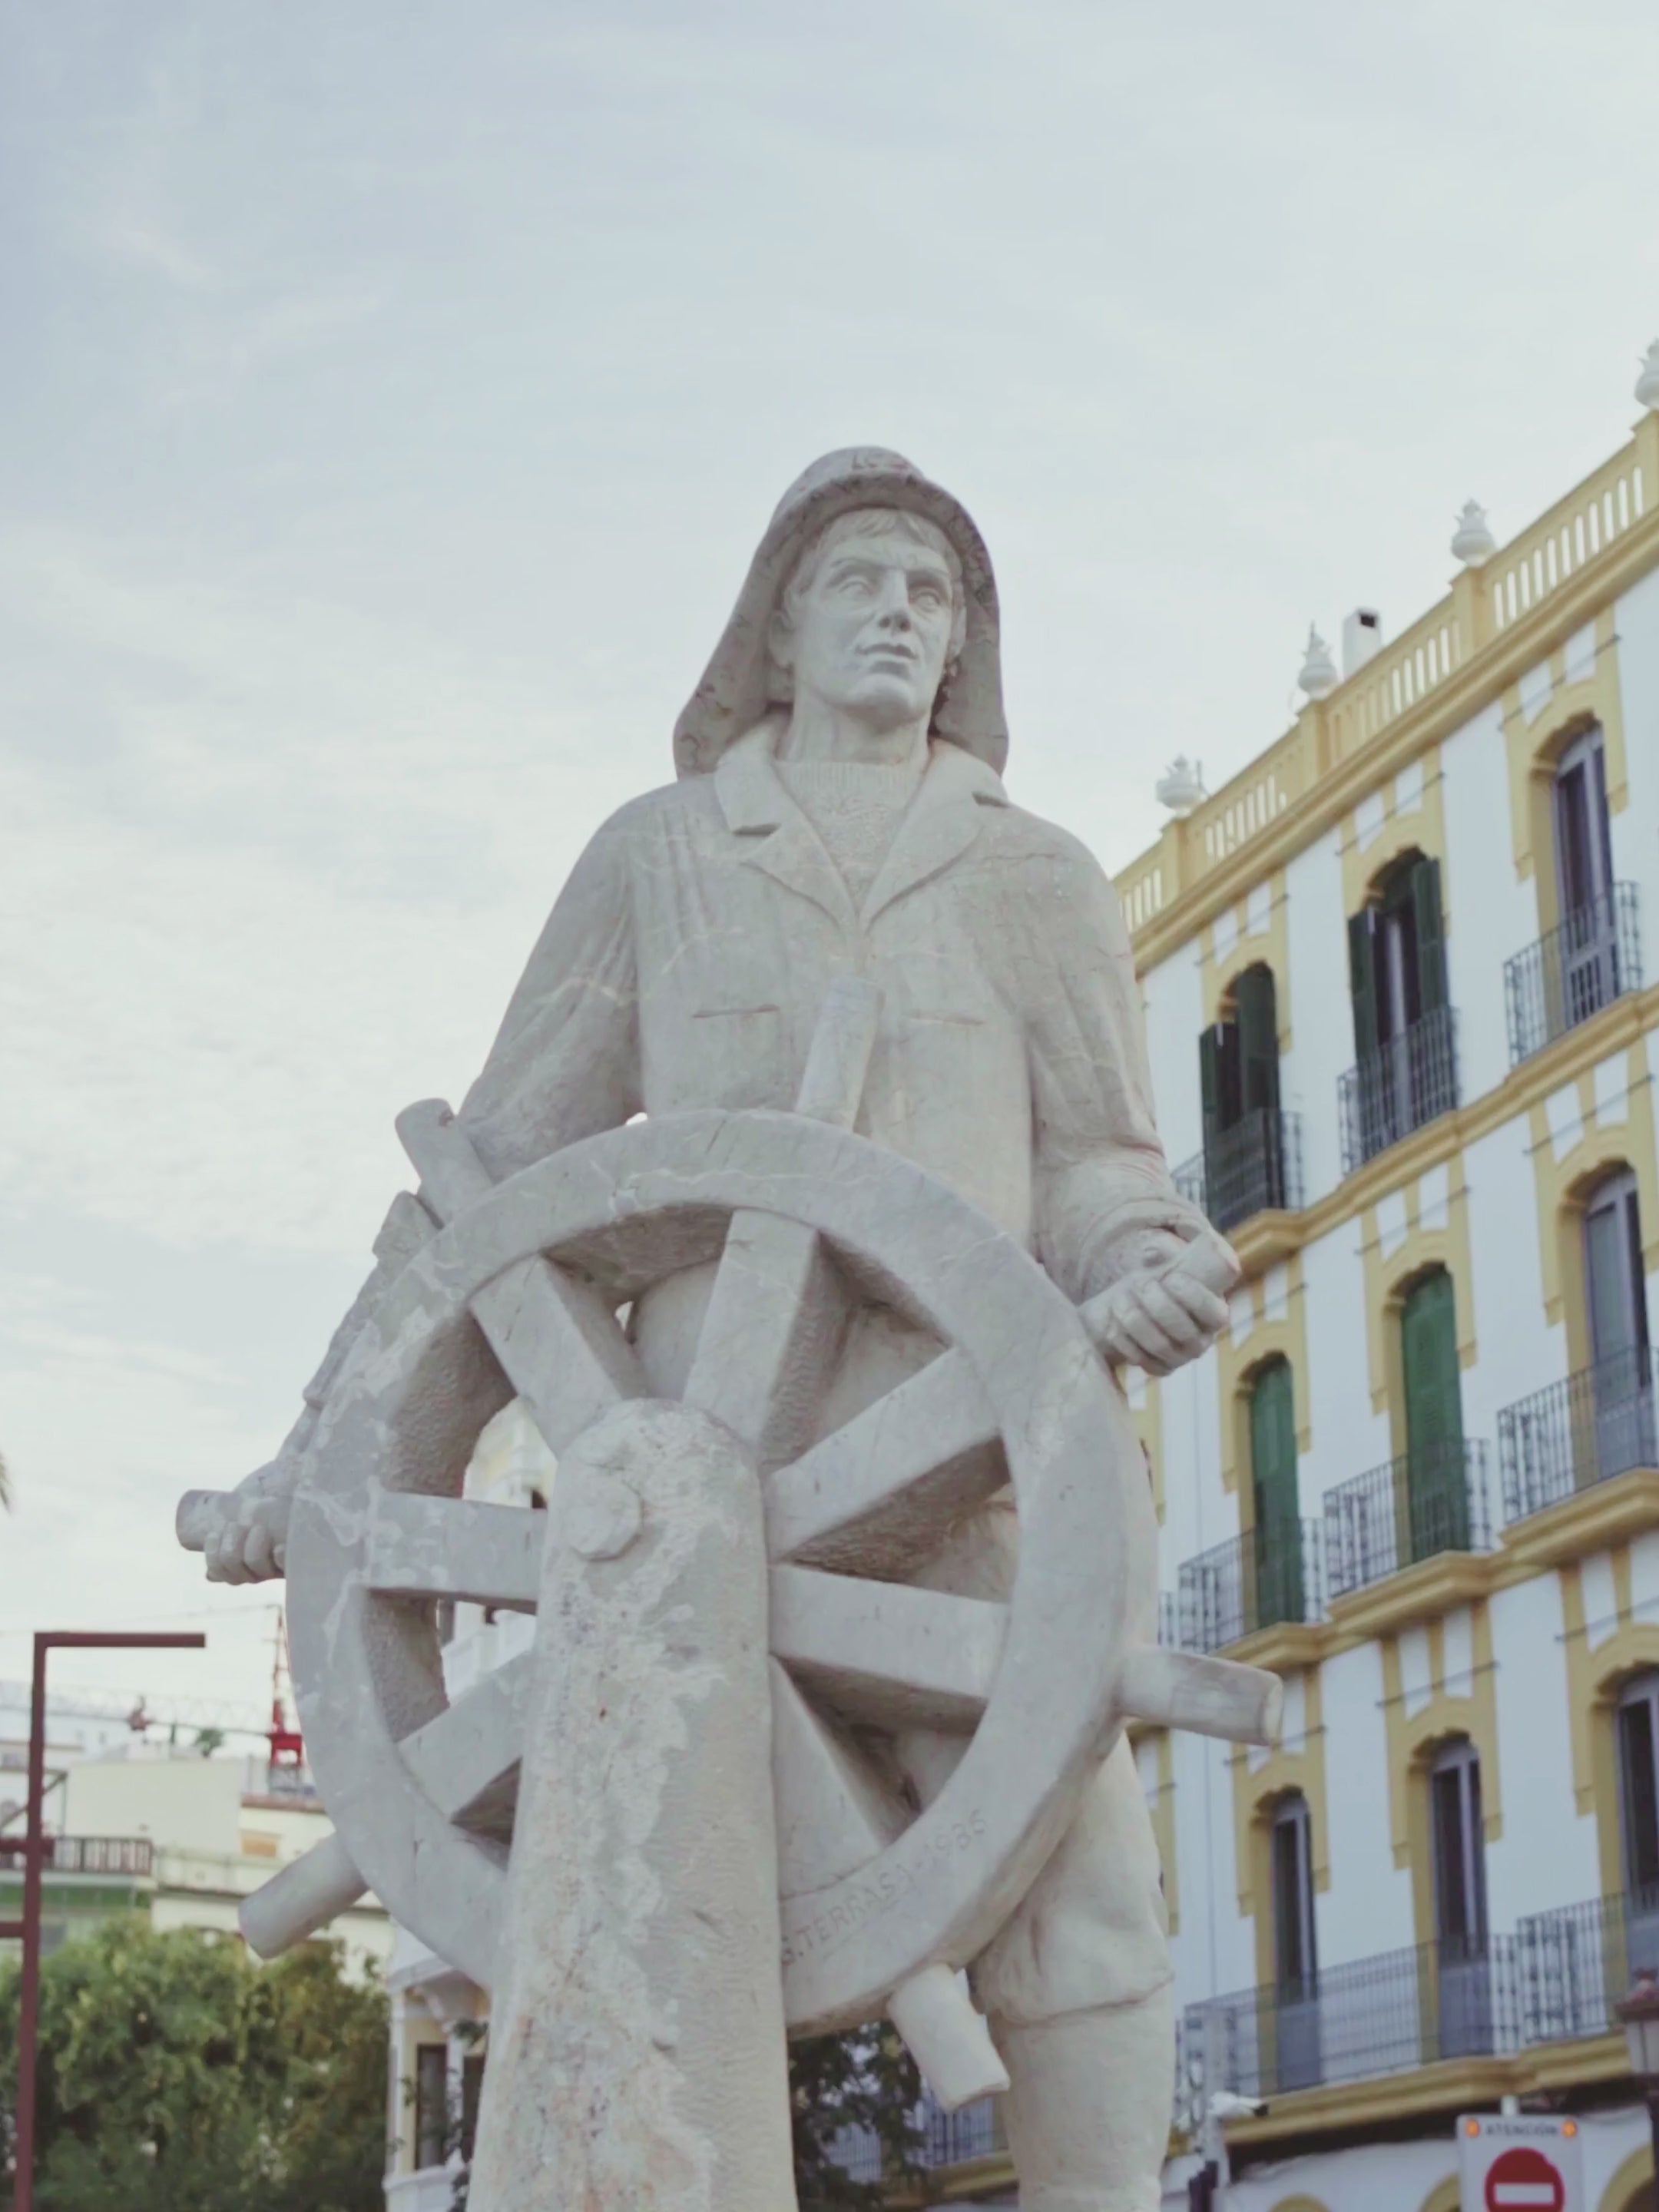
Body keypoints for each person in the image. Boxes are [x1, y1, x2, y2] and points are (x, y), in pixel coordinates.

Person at [201, 447, 1236, 2210]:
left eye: (934, 592)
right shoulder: (657, 858)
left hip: (966, 1484)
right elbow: (488, 1188)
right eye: (860, 583)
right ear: (775, 629)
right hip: (676, 1521)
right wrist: (317, 1455)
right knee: (617, 1919)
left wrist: (1143, 1255)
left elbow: (1096, 1164)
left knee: (1086, 1918)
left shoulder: (1037, 879)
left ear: (969, 641)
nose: (900, 615)